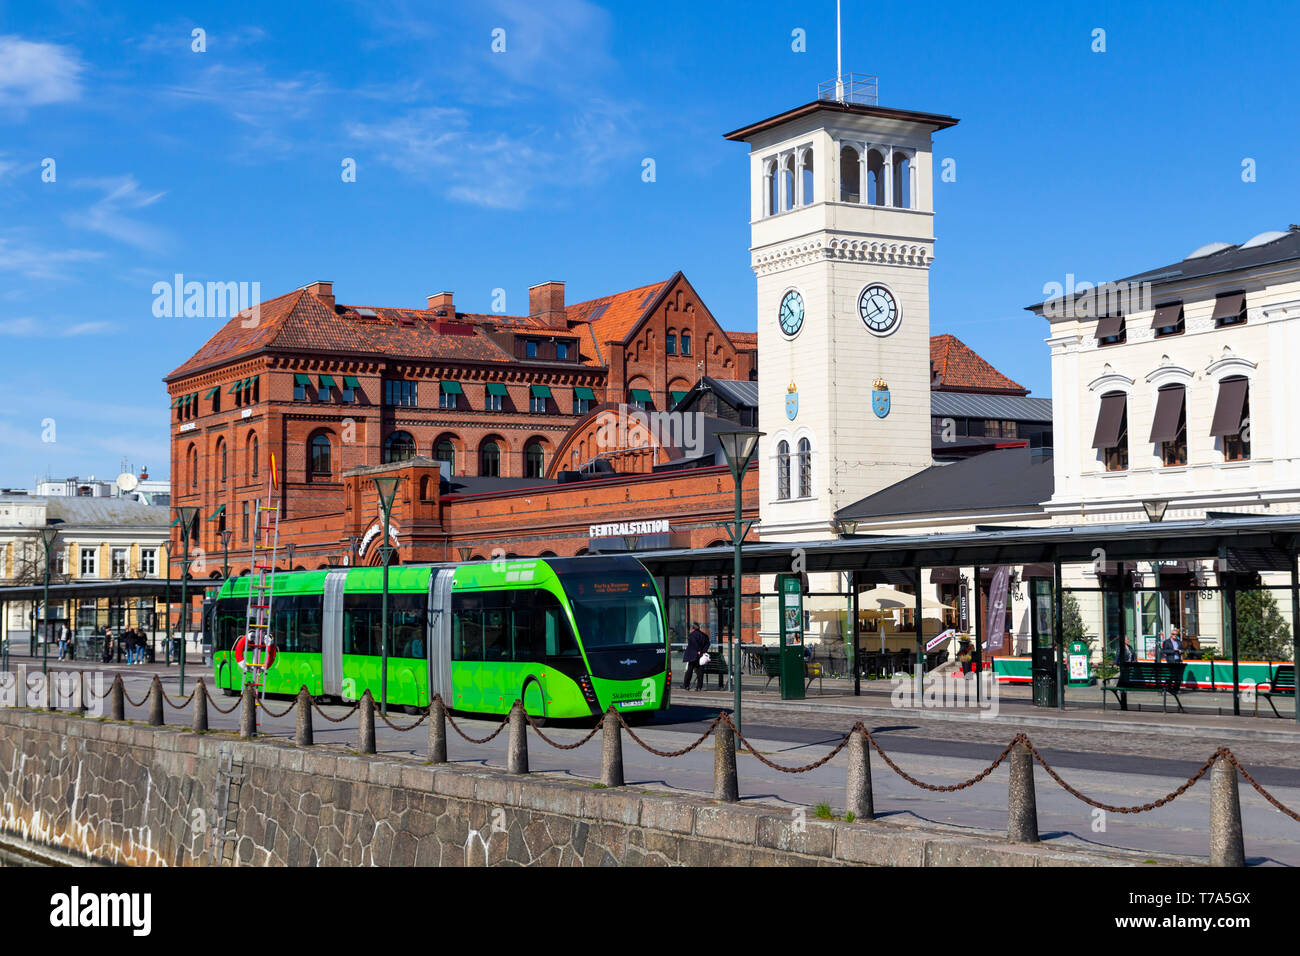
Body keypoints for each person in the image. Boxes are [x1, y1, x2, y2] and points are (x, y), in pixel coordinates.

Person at [682, 621, 710, 692]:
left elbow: (693, 645)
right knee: (700, 671)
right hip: (701, 656)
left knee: (689, 670)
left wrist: (698, 650)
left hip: (693, 656)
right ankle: (699, 687)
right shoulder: (704, 636)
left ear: (693, 628)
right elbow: (707, 644)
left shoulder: (692, 635)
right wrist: (702, 651)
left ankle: (686, 685)